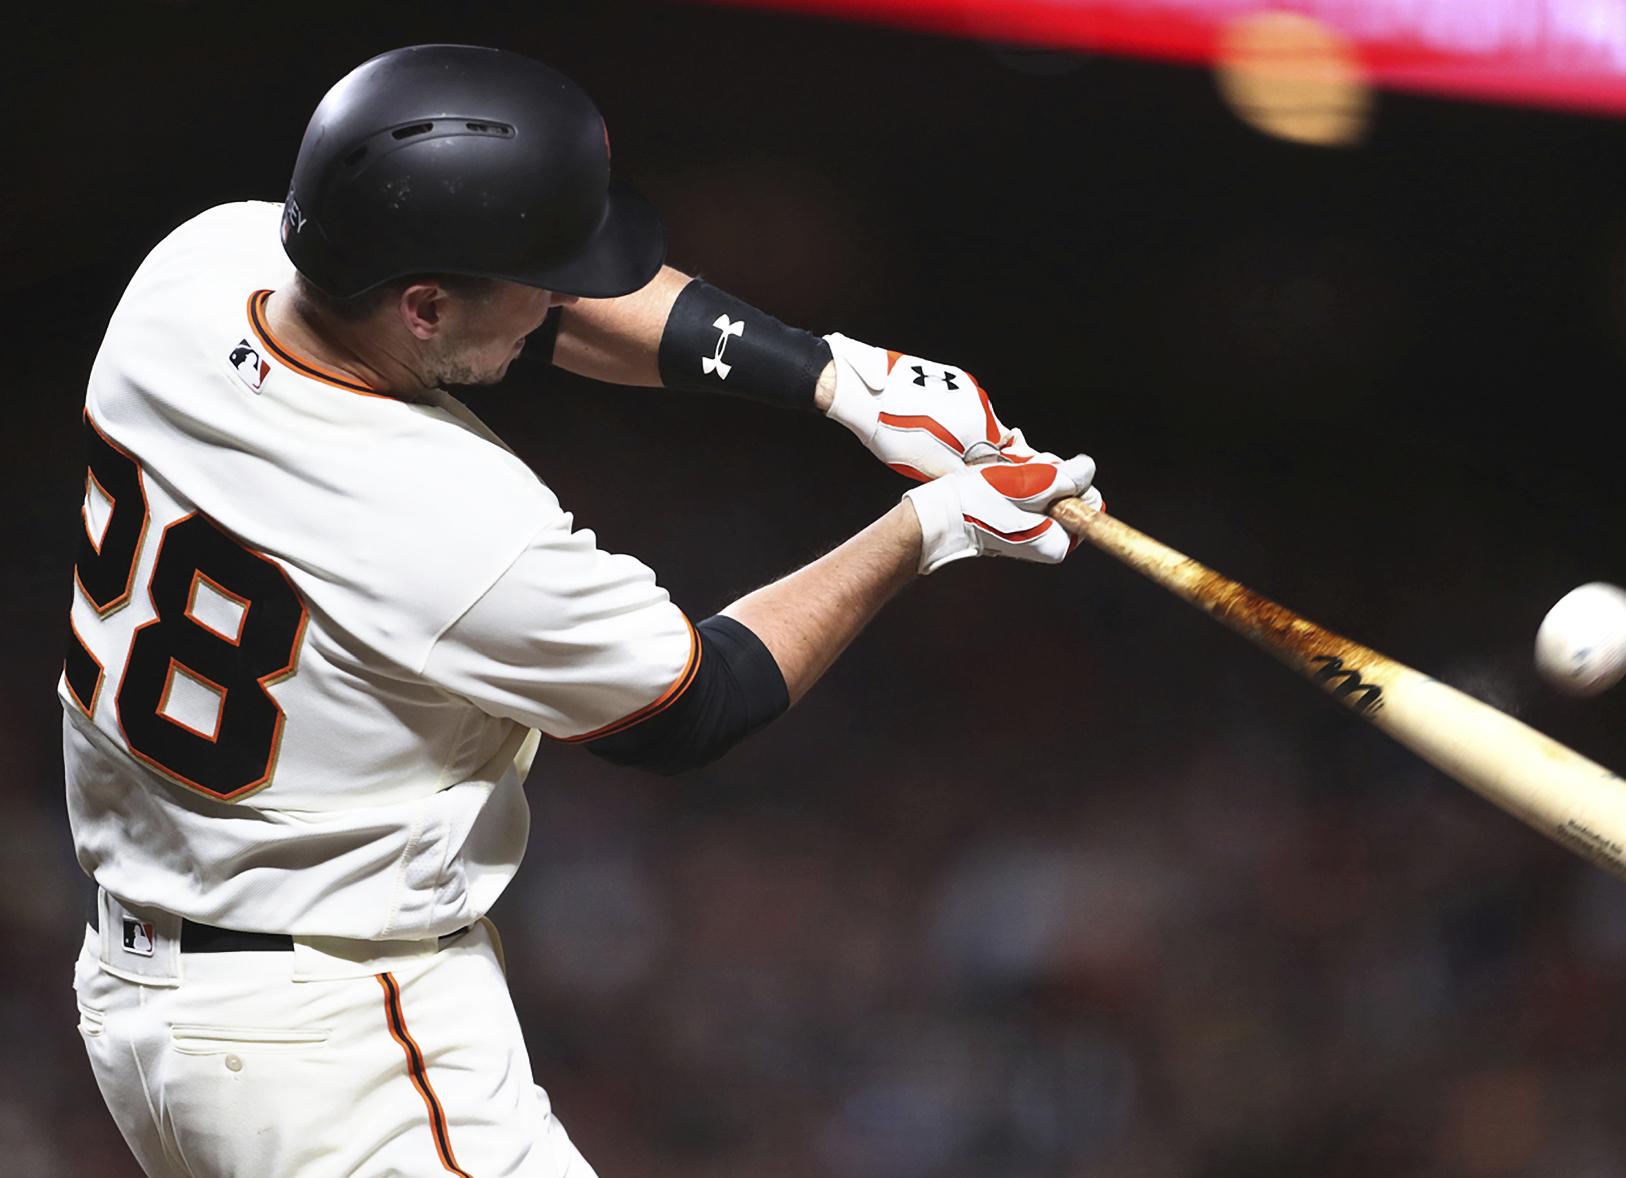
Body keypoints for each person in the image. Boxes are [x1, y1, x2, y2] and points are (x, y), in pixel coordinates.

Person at [63, 43, 1099, 1176]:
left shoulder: (194, 271)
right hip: (335, 1044)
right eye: (540, 272)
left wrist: (842, 377)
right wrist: (934, 525)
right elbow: (700, 703)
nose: (568, 292)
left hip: (146, 987)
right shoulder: (456, 522)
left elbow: (522, 309)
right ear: (423, 302)